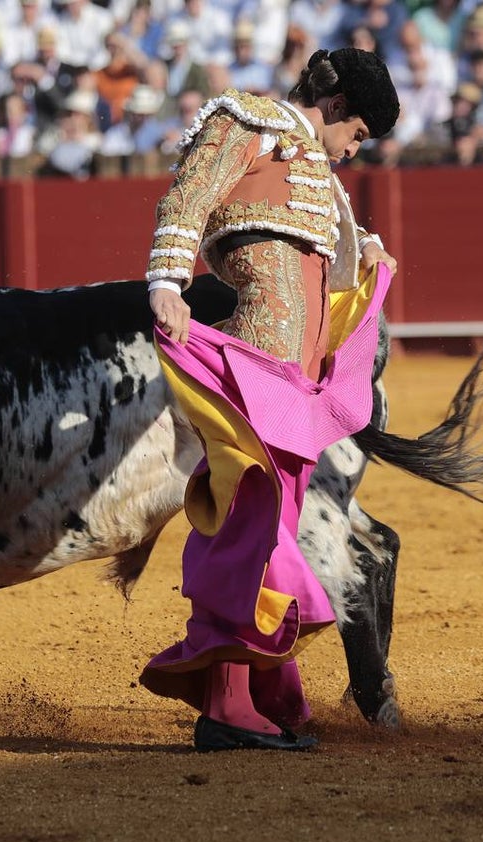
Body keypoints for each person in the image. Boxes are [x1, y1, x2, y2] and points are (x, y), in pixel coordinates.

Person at [140, 47, 399, 752]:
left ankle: (263, 690)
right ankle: (226, 708)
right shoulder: (248, 119)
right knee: (249, 534)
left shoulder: (312, 166)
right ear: (342, 107)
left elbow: (334, 247)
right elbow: (189, 194)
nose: (353, 152)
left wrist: (370, 254)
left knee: (267, 531)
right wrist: (167, 278)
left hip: (294, 383)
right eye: (359, 135)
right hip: (256, 364)